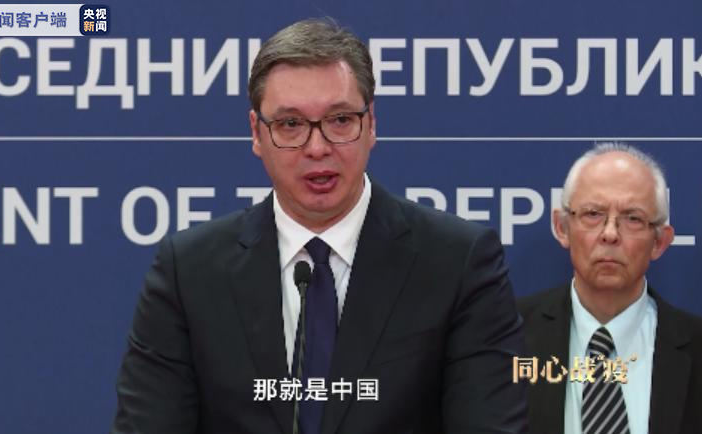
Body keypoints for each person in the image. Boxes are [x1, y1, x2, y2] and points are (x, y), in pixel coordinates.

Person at [113, 18, 526, 434]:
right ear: (257, 133)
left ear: (371, 124)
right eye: (291, 125)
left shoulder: (457, 263)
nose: (317, 147)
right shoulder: (189, 272)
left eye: (340, 119)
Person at [519, 143, 702, 434]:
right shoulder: (507, 337)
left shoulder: (696, 346)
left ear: (659, 242)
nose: (610, 234)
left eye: (633, 218)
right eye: (593, 213)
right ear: (562, 228)